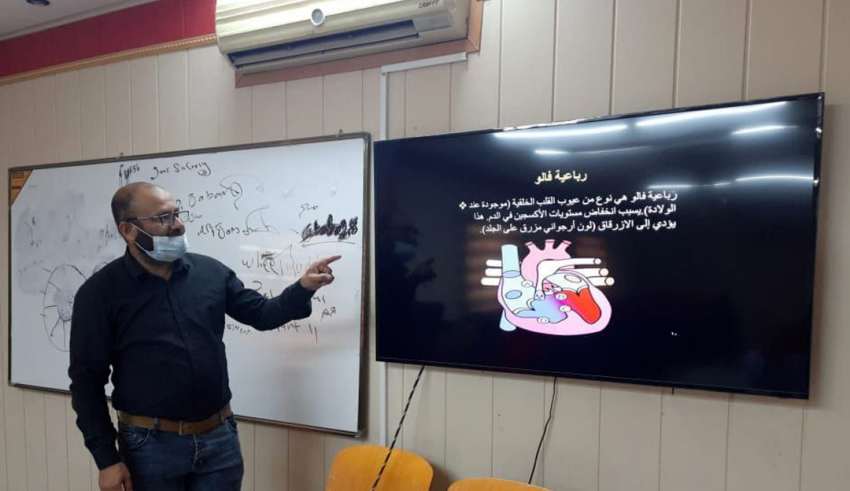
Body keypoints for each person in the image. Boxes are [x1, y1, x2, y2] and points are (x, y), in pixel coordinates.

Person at [69, 182, 340, 491]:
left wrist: (303, 288)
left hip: (218, 439)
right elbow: (86, 382)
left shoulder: (210, 273)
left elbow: (263, 314)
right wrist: (106, 459)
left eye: (177, 213)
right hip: (150, 446)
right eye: (163, 218)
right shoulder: (100, 294)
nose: (178, 225)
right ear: (128, 230)